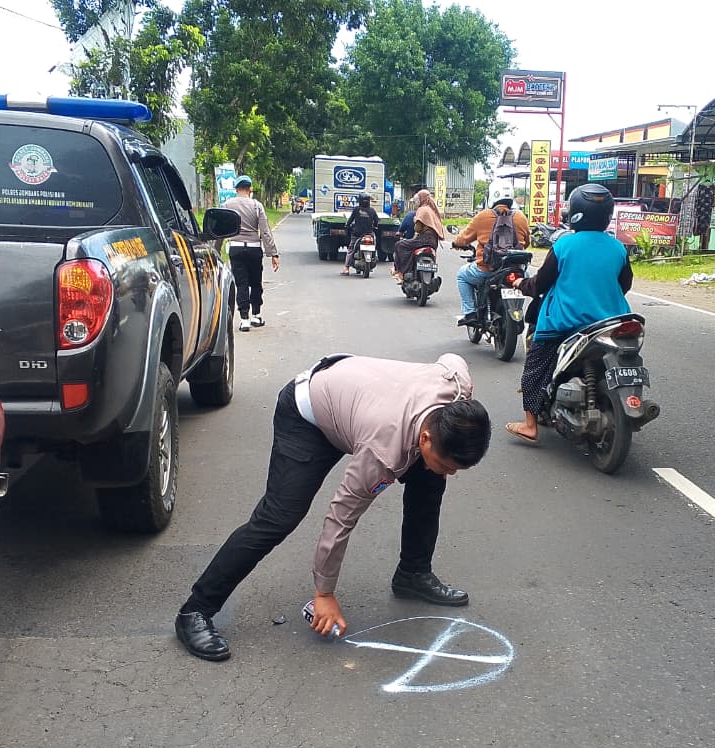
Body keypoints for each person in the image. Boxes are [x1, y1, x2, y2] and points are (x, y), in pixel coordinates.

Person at [174, 353, 492, 661]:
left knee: (430, 479)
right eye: (448, 464)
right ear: (425, 438)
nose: (452, 473)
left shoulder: (456, 388)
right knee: (279, 516)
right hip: (308, 413)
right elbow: (340, 518)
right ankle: (196, 610)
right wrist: (324, 594)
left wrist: (440, 462)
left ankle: (413, 574)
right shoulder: (381, 454)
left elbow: (454, 360)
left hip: (359, 399)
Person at [504, 184, 632, 445]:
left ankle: (530, 425)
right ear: (607, 215)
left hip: (564, 324)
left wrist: (519, 283)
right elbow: (625, 284)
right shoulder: (618, 248)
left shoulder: (564, 245)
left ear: (575, 213)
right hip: (612, 322)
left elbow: (540, 284)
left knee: (533, 371)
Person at [451, 195, 530, 325]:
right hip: (516, 270)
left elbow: (462, 239)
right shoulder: (521, 217)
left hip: (486, 269)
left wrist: (456, 243)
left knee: (462, 275)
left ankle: (470, 312)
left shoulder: (482, 216)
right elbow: (526, 242)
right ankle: (517, 308)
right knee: (525, 278)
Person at [224, 175, 279, 332]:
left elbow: (220, 228)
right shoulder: (257, 206)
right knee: (255, 282)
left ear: (236, 189)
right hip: (255, 249)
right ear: (250, 189)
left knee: (241, 284)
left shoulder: (227, 205)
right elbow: (265, 231)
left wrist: (215, 250)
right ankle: (256, 315)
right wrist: (273, 254)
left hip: (236, 248)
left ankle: (244, 319)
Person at [391, 189, 443, 282]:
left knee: (399, 245)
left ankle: (400, 272)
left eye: (416, 201)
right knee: (411, 249)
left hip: (424, 239)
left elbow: (418, 229)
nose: (415, 203)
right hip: (433, 242)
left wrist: (416, 224)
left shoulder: (422, 210)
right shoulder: (432, 210)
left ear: (421, 199)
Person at [341, 193, 380, 275]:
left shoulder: (356, 209)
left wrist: (347, 225)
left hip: (357, 234)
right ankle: (374, 256)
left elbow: (351, 219)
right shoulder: (372, 210)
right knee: (374, 245)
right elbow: (376, 221)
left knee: (351, 249)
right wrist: (375, 226)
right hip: (369, 234)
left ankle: (346, 268)